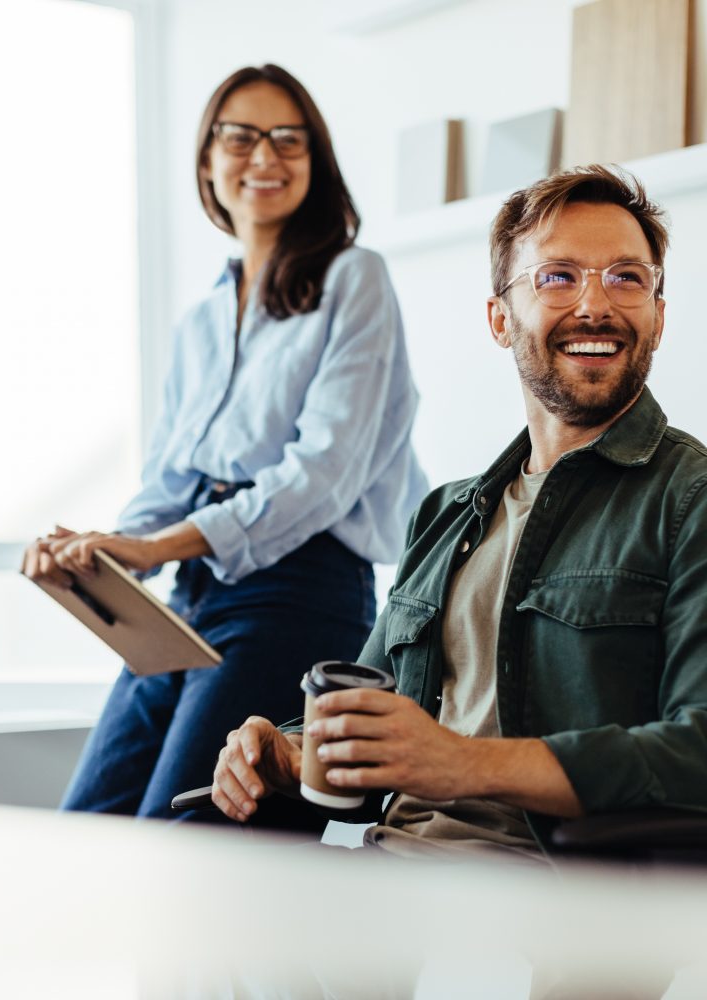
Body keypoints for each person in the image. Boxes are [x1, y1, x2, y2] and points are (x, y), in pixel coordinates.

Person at [212, 164, 707, 870]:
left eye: (627, 278)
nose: (596, 305)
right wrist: (284, 750)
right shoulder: (446, 514)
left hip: (541, 897)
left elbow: (698, 750)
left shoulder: (691, 500)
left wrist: (465, 764)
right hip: (384, 868)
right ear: (500, 319)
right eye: (558, 277)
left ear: (659, 314)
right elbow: (368, 714)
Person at [22, 64, 427, 819]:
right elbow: (172, 475)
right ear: (208, 159)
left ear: (317, 158)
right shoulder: (202, 317)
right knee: (85, 824)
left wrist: (153, 548)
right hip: (193, 595)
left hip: (297, 595)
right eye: (240, 137)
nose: (265, 157)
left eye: (288, 138)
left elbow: (322, 477)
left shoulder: (355, 279)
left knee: (179, 838)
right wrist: (100, 550)